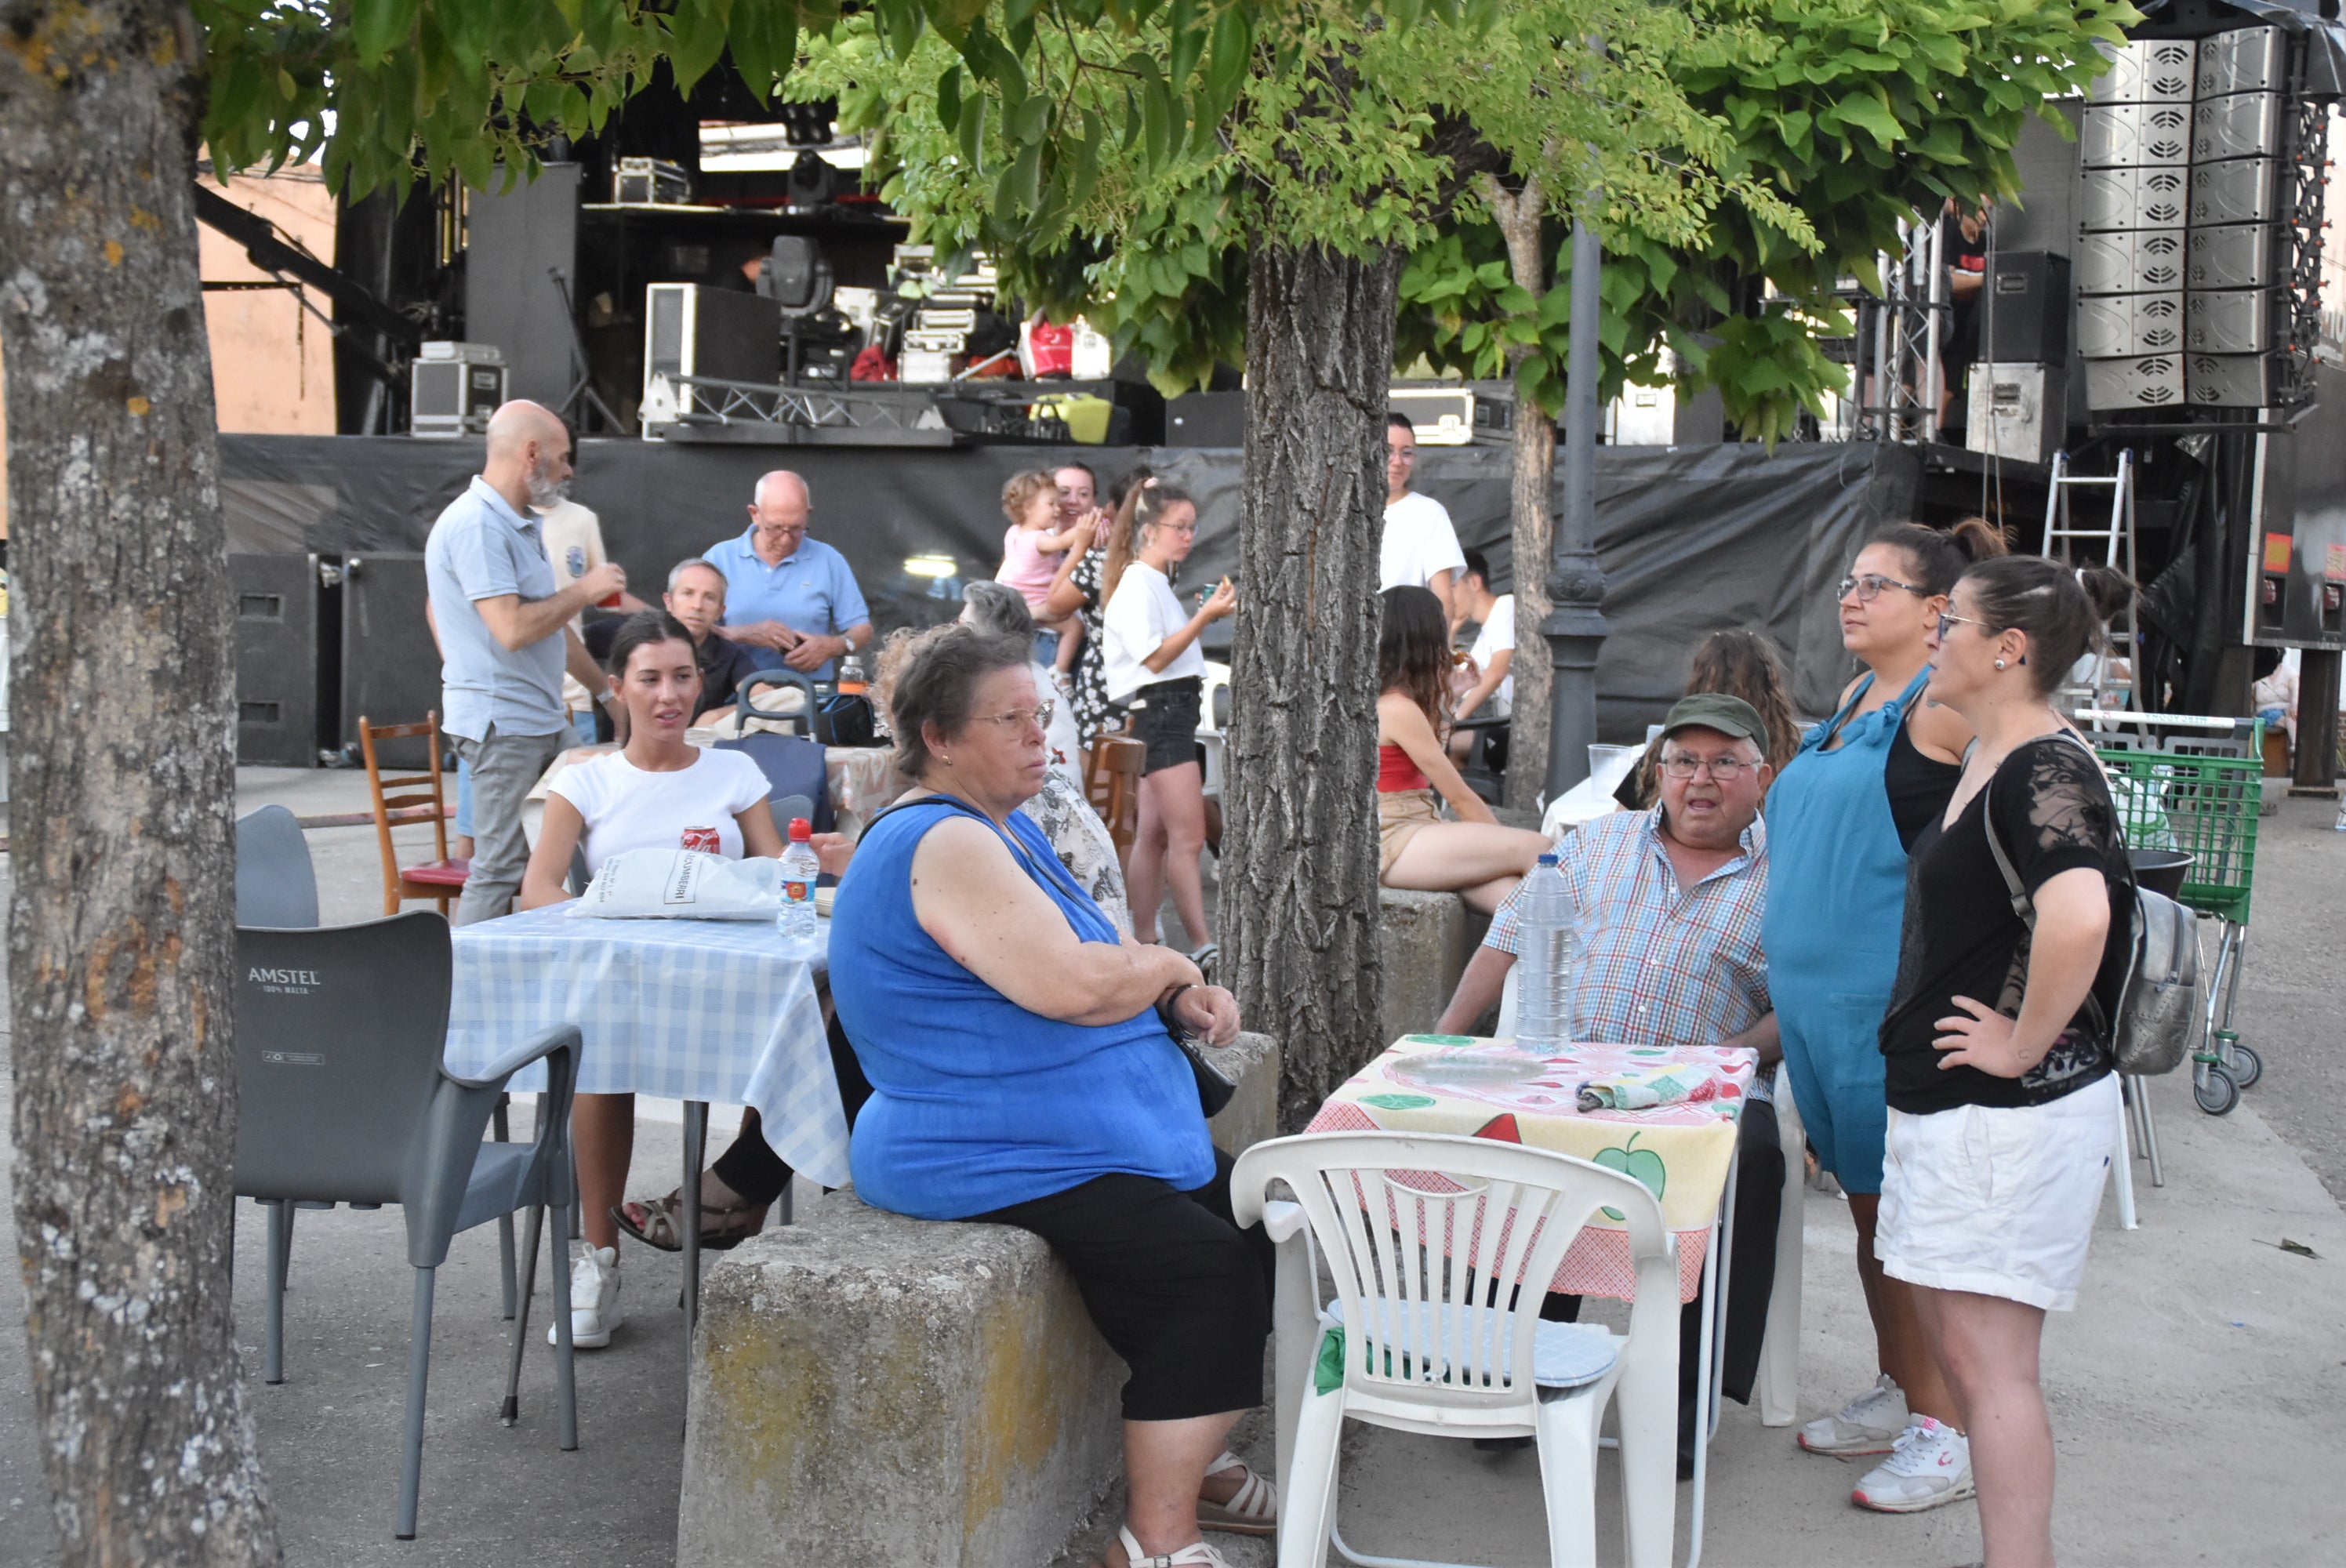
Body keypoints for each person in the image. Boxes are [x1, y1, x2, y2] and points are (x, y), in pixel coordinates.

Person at [828, 622, 1276, 1567]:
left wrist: (1169, 988)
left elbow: (1083, 961)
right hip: (976, 1144)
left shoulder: (1000, 826)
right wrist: (1164, 958)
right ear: (939, 736)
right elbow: (1068, 985)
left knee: (1258, 1215)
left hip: (1056, 1130)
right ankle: (1156, 1541)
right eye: (1014, 720)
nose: (1043, 736)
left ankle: (1193, 1457)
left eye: (1045, 715)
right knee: (1204, 1267)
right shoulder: (940, 837)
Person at [1432, 694, 1781, 1475]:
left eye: (1724, 761)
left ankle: (1685, 1399)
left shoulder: (1785, 874)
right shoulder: (1597, 843)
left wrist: (1721, 1062)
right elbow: (1508, 936)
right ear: (1655, 772)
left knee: (1752, 1161)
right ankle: (1512, 1374)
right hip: (1577, 1070)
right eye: (1683, 759)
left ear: (1762, 775)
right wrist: (1445, 1036)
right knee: (1517, 1143)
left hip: (1706, 1085)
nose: (1700, 779)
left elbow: (1794, 1008)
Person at [1877, 557, 2128, 1559]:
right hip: (1962, 1115)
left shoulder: (2043, 766)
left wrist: (2018, 1043)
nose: (1933, 637)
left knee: (1991, 1368)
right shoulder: (1997, 750)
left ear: (2008, 648)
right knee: (1970, 1356)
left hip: (2003, 1122)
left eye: (1951, 622)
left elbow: (2081, 912)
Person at [1761, 517, 2005, 1510]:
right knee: (1869, 1219)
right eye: (1848, 581)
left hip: (1886, 1004)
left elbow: (2015, 842)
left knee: (1909, 1228)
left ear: (1937, 611)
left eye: (1876, 585)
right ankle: (1909, 1391)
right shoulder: (1858, 696)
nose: (1850, 597)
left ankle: (1948, 1429)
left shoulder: (1945, 710)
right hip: (1815, 1013)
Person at [517, 612, 783, 1348]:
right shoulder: (586, 780)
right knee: (598, 1049)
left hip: (726, 976)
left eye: (683, 677)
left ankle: (741, 1222)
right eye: (650, 679)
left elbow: (770, 875)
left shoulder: (734, 770)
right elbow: (537, 889)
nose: (669, 695)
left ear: (702, 684)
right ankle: (597, 1259)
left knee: (798, 1016)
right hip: (631, 977)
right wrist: (607, 917)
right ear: (617, 688)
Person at [423, 400, 624, 924]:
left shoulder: (517, 524)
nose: (568, 469)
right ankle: (463, 992)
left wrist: (607, 695)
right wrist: (585, 590)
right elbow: (513, 629)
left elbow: (551, 626)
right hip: (504, 725)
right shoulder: (477, 526)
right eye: (561, 457)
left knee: (588, 832)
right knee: (500, 867)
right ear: (530, 453)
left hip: (538, 720)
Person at [1102, 481, 1236, 950]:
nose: (1187, 536)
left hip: (1168, 712)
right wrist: (1205, 618)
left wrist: (1203, 616)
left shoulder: (1153, 582)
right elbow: (1155, 659)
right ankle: (1201, 945)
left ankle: (1144, 940)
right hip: (1161, 712)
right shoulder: (1138, 583)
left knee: (1156, 836)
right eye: (1177, 527)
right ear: (1147, 530)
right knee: (1188, 837)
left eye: (1191, 527)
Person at [1375, 586, 1548, 913]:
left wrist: (1448, 700)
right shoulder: (1397, 707)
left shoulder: (1395, 701)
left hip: (1413, 829)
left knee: (1519, 904)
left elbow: (1425, 762)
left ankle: (1547, 962)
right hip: (1394, 839)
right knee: (1539, 849)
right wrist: (1499, 847)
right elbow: (1459, 796)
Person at [705, 470, 873, 681]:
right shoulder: (719, 558)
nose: (786, 540)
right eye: (775, 528)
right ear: (755, 514)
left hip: (810, 695)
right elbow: (688, 626)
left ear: (808, 514)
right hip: (732, 694)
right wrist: (739, 634)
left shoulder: (828, 560)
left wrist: (833, 645)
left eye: (796, 528)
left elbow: (862, 630)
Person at [1617, 630, 1801, 811]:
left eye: (1725, 763)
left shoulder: (1668, 750)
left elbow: (1620, 820)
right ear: (1770, 686)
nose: (1700, 778)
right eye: (1687, 762)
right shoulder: (1794, 753)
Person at [1042, 463, 1140, 766]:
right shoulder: (1032, 537)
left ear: (1101, 505)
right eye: (1063, 493)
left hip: (1090, 659)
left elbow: (1054, 603)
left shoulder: (1108, 547)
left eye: (1083, 494)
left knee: (1087, 766)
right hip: (1041, 646)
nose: (1072, 501)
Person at [962, 579, 1087, 796]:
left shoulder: (1004, 682)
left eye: (962, 627)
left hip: (1041, 802)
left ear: (983, 635)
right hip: (1059, 796)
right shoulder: (1030, 671)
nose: (955, 636)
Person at [994, 468, 1091, 670]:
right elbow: (1063, 541)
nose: (1058, 508)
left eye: (1084, 494)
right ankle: (1061, 671)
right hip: (1040, 604)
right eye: (1052, 503)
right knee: (1075, 628)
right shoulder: (1039, 539)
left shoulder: (1014, 532)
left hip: (1022, 602)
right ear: (1028, 508)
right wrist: (1086, 528)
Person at [1380, 412, 1467, 621]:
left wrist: (1439, 650)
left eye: (1406, 453)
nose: (1397, 461)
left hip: (1406, 642)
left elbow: (1442, 596)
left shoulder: (1429, 512)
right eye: (1388, 451)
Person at [660, 557, 767, 724]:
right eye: (688, 593)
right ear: (669, 602)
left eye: (709, 597)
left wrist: (715, 716)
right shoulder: (640, 640)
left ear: (720, 611)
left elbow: (768, 700)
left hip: (697, 745)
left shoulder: (728, 653)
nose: (697, 606)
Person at [1447, 548, 1515, 764]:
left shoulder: (1506, 607)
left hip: (1507, 726)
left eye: (1453, 587)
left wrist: (1456, 720)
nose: (1448, 596)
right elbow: (1452, 678)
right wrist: (1452, 629)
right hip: (1488, 724)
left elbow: (1497, 672)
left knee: (1444, 744)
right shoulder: (1484, 635)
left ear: (1475, 583)